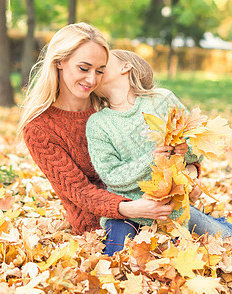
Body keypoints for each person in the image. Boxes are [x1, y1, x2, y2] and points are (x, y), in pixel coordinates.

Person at [86, 50, 232, 256]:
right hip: (128, 212)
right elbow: (111, 175)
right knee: (117, 257)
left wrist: (186, 151)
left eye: (105, 62)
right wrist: (151, 160)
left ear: (125, 67)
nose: (98, 66)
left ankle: (210, 224)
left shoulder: (161, 100)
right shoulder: (98, 124)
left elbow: (196, 147)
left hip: (172, 208)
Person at [17, 23, 178, 236]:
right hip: (100, 227)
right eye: (84, 68)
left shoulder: (111, 106)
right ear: (59, 63)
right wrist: (131, 208)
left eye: (100, 71)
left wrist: (191, 173)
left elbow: (162, 149)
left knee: (216, 235)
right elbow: (79, 190)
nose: (92, 80)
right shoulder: (40, 128)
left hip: (156, 205)